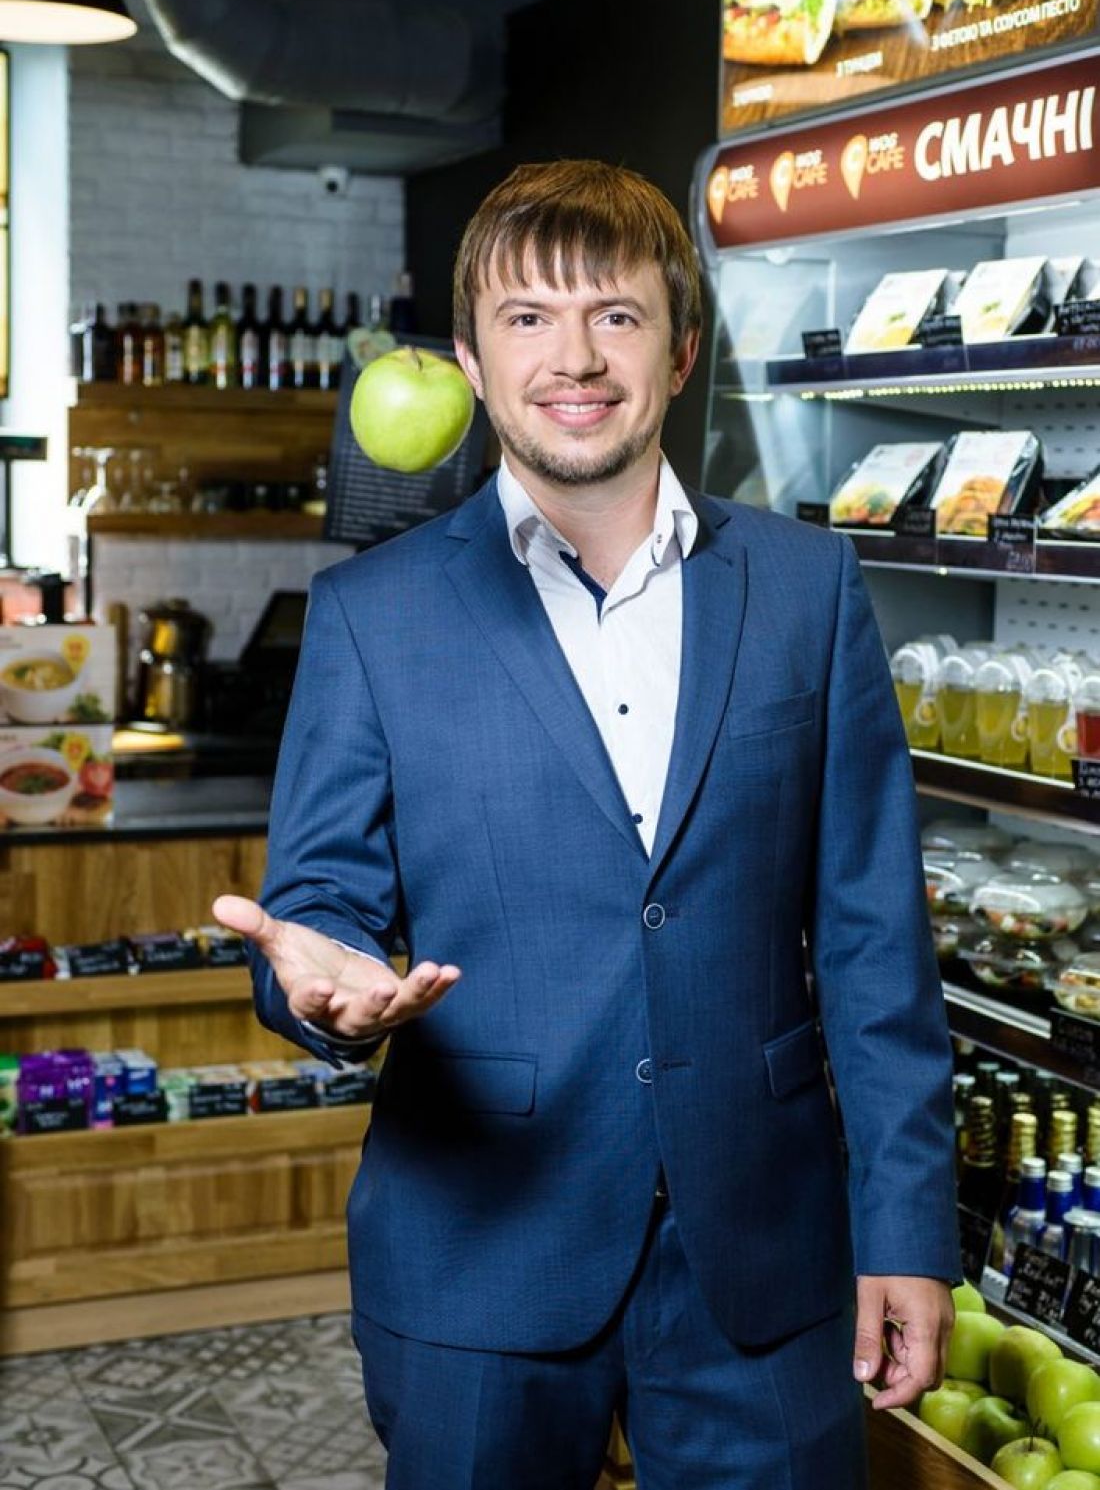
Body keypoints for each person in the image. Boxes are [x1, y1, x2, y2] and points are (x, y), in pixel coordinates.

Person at [215, 158, 960, 1490]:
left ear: (681, 349)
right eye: (528, 318)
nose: (575, 358)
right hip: (478, 1250)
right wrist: (324, 986)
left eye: (615, 314)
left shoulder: (807, 587)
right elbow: (319, 903)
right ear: (470, 361)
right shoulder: (373, 614)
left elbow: (873, 943)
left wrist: (907, 1226)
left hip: (764, 1255)